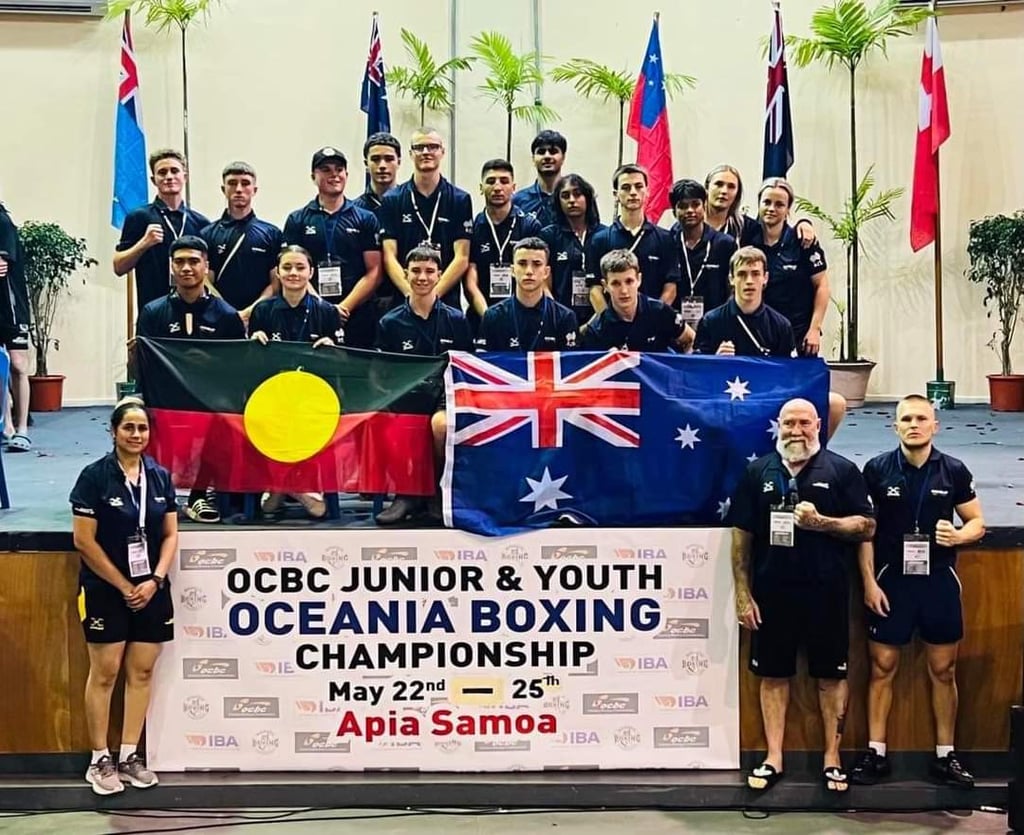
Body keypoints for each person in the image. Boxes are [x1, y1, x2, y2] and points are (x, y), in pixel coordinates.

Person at [728, 398, 875, 794]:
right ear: (779, 426)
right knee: (773, 676)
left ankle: (832, 757)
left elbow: (866, 526)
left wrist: (821, 523)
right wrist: (743, 594)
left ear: (818, 427)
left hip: (827, 594)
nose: (796, 431)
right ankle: (774, 756)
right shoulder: (758, 471)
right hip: (772, 595)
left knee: (830, 677)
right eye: (789, 423)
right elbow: (741, 537)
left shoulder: (842, 470)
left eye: (804, 423)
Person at [851, 395, 986, 789]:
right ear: (895, 426)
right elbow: (866, 531)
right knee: (882, 668)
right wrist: (869, 582)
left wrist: (960, 535)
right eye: (906, 418)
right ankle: (876, 753)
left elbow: (977, 521)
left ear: (935, 425)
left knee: (944, 671)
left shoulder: (954, 471)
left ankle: (946, 756)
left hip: (939, 583)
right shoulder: (876, 470)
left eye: (921, 418)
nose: (914, 424)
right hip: (891, 582)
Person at [70, 398, 178, 795]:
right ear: (113, 431)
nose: (136, 435)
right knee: (106, 672)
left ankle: (129, 754)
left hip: (151, 590)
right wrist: (122, 585)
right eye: (128, 428)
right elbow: (83, 541)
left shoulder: (160, 477)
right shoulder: (94, 477)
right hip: (105, 590)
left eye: (142, 428)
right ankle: (100, 758)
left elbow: (170, 535)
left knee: (142, 672)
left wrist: (155, 579)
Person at [135, 236, 244, 524]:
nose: (186, 268)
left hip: (209, 402)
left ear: (206, 266)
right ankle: (156, 494)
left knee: (226, 420)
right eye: (180, 262)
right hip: (165, 399)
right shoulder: (153, 312)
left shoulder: (226, 315)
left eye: (194, 261)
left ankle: (199, 494)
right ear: (171, 267)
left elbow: (234, 369)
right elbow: (145, 364)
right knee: (133, 418)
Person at [694, 247, 847, 438]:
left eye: (755, 274)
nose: (749, 281)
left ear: (765, 278)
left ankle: (813, 459)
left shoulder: (780, 325)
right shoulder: (712, 320)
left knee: (836, 403)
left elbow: (791, 376)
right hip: (723, 399)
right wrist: (716, 361)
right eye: (742, 274)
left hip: (768, 399)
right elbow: (696, 375)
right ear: (732, 279)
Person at [375, 246, 473, 525]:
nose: (422, 277)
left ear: (439, 275)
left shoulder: (456, 319)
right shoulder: (390, 322)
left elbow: (465, 367)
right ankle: (405, 495)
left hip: (446, 397)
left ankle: (436, 491)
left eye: (429, 271)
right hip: (406, 397)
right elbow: (383, 373)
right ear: (405, 274)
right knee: (393, 423)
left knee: (440, 426)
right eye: (416, 271)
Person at [248, 246, 345, 520]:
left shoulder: (326, 311)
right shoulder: (263, 311)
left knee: (306, 417)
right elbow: (254, 364)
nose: (293, 273)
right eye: (287, 267)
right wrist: (254, 343)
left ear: (311, 272)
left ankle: (283, 486)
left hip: (315, 397)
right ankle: (298, 488)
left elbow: (342, 362)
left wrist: (333, 348)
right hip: (273, 396)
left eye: (300, 267)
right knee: (272, 417)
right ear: (277, 273)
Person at [282, 146, 381, 349]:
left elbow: (375, 270)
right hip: (311, 311)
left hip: (357, 312)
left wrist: (344, 307)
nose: (334, 175)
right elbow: (293, 266)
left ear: (346, 174)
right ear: (313, 176)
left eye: (339, 169)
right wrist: (323, 307)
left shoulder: (365, 218)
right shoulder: (297, 219)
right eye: (326, 170)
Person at [379, 127, 473, 310]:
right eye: (419, 147)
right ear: (410, 154)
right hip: (404, 304)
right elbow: (389, 256)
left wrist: (432, 295)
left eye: (432, 147)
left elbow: (462, 257)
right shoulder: (392, 199)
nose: (426, 152)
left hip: (445, 303)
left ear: (442, 152)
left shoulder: (460, 199)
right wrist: (411, 294)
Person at [113, 149, 210, 310]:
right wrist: (144, 243)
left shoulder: (201, 223)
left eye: (174, 171)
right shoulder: (138, 217)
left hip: (197, 312)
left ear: (184, 177)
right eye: (162, 173)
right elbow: (119, 267)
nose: (169, 177)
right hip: (153, 312)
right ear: (154, 180)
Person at [743, 178, 830, 357]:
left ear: (788, 209)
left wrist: (815, 329)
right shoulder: (747, 239)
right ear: (758, 204)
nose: (772, 208)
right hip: (757, 334)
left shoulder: (803, 241)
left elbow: (822, 285)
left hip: (797, 335)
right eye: (766, 202)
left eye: (779, 204)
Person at [198, 161, 282, 326]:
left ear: (254, 190)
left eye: (245, 184)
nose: (238, 189)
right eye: (232, 183)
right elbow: (205, 280)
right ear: (223, 189)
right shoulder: (207, 234)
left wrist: (250, 311)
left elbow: (276, 282)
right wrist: (229, 312)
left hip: (261, 317)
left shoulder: (272, 233)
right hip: (220, 318)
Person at [465, 159, 543, 335]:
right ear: (480, 187)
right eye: (491, 181)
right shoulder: (473, 226)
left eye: (504, 181)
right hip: (482, 315)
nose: (498, 187)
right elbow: (470, 279)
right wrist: (488, 316)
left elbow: (539, 275)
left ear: (514, 187)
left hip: (522, 316)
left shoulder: (529, 225)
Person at [588, 164, 678, 314]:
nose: (633, 193)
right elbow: (595, 290)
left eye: (638, 186)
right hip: (615, 328)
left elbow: (671, 288)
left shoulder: (665, 238)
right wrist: (611, 322)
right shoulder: (600, 239)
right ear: (615, 194)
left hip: (653, 326)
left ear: (647, 191)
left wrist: (653, 319)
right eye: (626, 188)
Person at [579, 249, 693, 352]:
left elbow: (691, 340)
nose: (624, 290)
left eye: (629, 281)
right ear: (605, 286)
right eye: (616, 283)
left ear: (639, 280)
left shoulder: (661, 312)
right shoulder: (596, 330)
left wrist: (683, 373)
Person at [477, 237, 578, 353]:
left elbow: (571, 366)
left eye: (537, 264)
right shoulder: (492, 317)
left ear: (546, 272)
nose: (529, 271)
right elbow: (483, 366)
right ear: (513, 271)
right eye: (522, 264)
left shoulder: (564, 317)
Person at [668, 178, 736, 328]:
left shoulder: (725, 244)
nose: (690, 210)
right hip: (675, 328)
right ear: (674, 211)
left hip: (715, 325)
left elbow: (732, 289)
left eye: (695, 204)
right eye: (683, 206)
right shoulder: (667, 243)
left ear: (704, 206)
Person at [540, 173, 606, 327]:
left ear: (588, 198)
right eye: (565, 196)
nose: (571, 200)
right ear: (558, 201)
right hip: (559, 318)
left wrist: (596, 321)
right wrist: (557, 316)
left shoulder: (605, 235)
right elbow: (543, 282)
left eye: (577, 194)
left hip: (599, 317)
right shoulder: (548, 236)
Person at [704, 163, 816, 248]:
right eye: (718, 184)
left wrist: (804, 224)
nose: (724, 191)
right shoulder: (691, 223)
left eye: (731, 187)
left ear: (737, 193)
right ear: (707, 187)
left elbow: (776, 230)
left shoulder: (746, 227)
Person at [0, 198, 31, 452]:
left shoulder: (3, 223)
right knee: (0, 366)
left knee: (18, 365)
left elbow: (1, 266)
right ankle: (7, 425)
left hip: (11, 308)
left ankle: (22, 429)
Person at [511, 129, 567, 229]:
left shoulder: (574, 198)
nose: (547, 156)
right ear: (533, 158)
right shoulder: (518, 201)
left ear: (563, 157)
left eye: (553, 151)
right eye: (541, 152)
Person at [352, 131, 402, 216]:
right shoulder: (353, 211)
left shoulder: (412, 205)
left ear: (399, 162)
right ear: (366, 164)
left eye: (389, 159)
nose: (382, 165)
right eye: (375, 159)